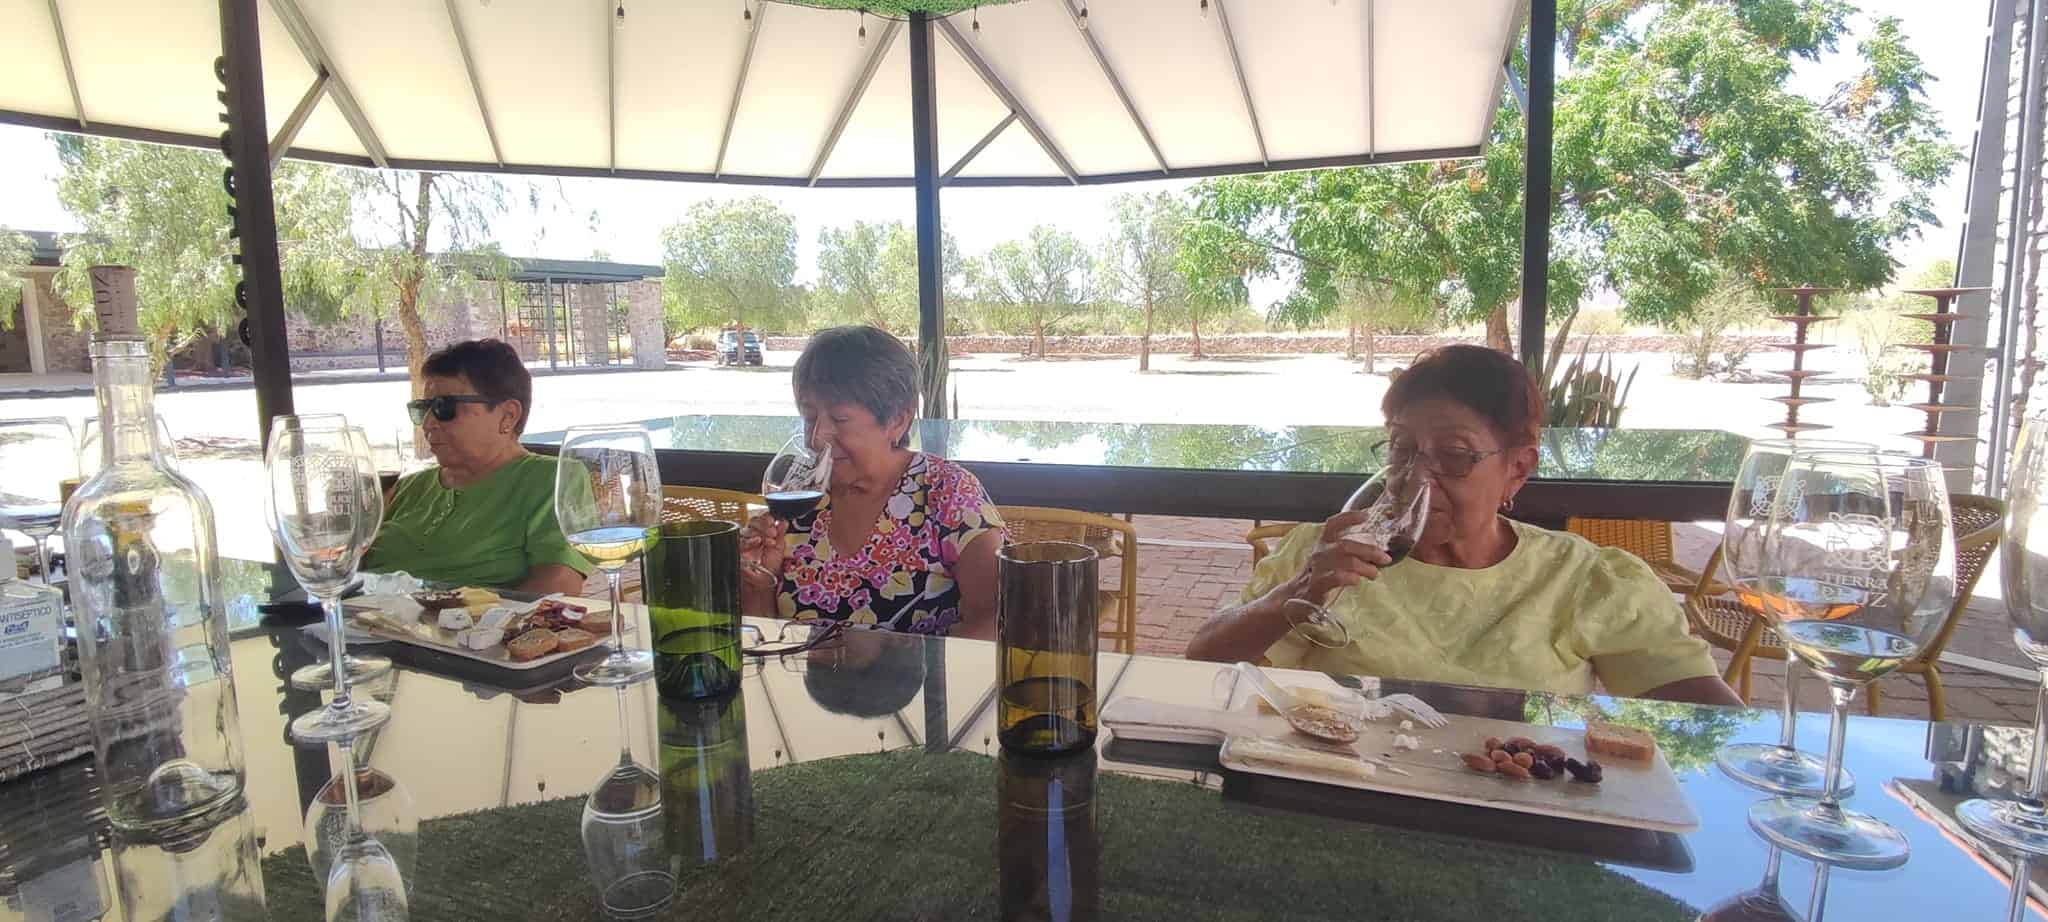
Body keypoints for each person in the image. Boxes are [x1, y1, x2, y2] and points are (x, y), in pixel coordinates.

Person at [1186, 345, 1741, 706]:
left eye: (1454, 456)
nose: (1417, 477)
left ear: (1516, 469)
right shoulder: (1328, 554)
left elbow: (1708, 722)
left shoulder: (1582, 579)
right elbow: (1204, 664)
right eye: (1401, 449)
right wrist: (1300, 590)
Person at [740, 326, 1004, 639]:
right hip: (801, 673)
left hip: (926, 674)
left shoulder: (947, 492)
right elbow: (766, 640)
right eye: (809, 417)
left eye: (839, 419)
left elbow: (994, 621)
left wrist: (898, 659)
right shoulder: (799, 492)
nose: (816, 438)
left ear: (897, 420)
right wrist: (758, 584)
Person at [362, 339, 589, 595]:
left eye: (444, 407)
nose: (427, 423)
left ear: (508, 415)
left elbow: (558, 586)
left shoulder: (551, 480)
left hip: (471, 621)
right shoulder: (408, 489)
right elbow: (344, 571)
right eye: (423, 409)